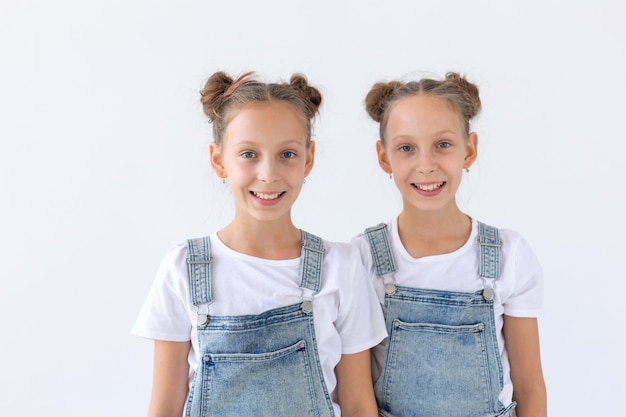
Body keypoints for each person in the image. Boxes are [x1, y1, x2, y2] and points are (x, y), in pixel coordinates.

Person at [132, 71, 386, 417]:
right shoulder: (183, 268)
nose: (268, 173)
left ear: (308, 159)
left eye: (287, 154)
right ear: (219, 160)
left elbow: (358, 405)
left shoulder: (340, 267)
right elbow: (164, 408)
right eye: (249, 154)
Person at [351, 72, 547, 417]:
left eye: (443, 145)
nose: (426, 165)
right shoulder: (362, 258)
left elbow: (529, 387)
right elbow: (357, 397)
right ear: (384, 158)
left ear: (469, 150)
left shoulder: (508, 256)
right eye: (406, 148)